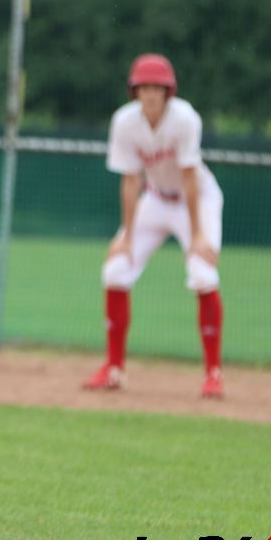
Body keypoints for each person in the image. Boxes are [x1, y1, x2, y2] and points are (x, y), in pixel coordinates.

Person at [82, 54, 225, 398]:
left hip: (198, 200)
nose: (150, 93)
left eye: (157, 87)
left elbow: (190, 178)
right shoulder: (125, 122)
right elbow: (131, 182)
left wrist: (198, 235)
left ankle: (213, 374)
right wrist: (127, 236)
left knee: (203, 274)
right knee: (116, 269)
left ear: (168, 91)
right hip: (155, 199)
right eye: (144, 87)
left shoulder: (185, 119)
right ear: (135, 91)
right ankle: (114, 369)